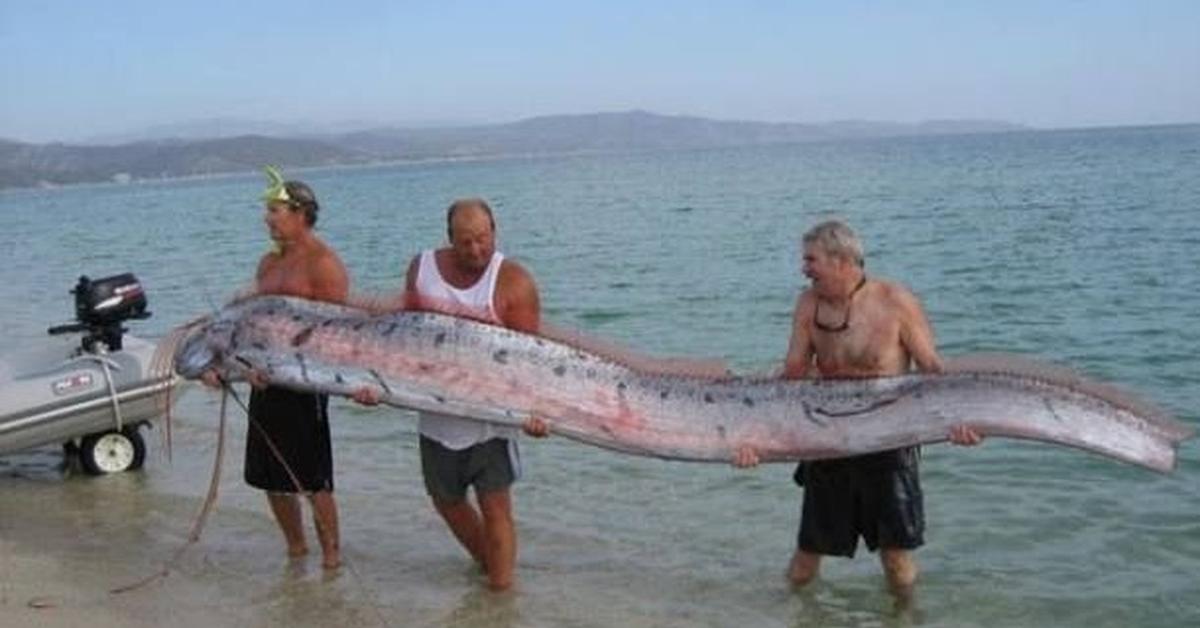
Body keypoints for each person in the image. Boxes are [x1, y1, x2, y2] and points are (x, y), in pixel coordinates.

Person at [732, 219, 981, 596]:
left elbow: (933, 370)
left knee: (896, 561)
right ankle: (794, 618)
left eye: (811, 260)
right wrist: (753, 438)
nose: (804, 269)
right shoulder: (807, 304)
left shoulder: (896, 301)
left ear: (842, 260)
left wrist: (961, 422)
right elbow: (792, 377)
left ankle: (906, 621)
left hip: (888, 442)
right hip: (828, 441)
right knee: (805, 560)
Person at [354, 197, 546, 591]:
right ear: (449, 239)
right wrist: (374, 384)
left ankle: (500, 596)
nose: (475, 250)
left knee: (495, 506)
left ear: (495, 232)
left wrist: (537, 412)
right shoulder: (421, 269)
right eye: (465, 242)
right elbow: (404, 338)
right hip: (435, 417)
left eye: (482, 239)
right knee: (446, 500)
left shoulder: (515, 282)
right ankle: (488, 568)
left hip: (492, 421)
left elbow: (532, 359)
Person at [206, 167, 349, 570]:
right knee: (269, 475)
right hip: (263, 380)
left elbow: (338, 333)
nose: (267, 218)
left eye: (275, 210)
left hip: (305, 383)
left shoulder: (324, 263)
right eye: (267, 211)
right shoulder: (267, 264)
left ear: (301, 212)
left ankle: (332, 560)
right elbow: (253, 325)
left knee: (313, 478)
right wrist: (238, 365)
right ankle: (296, 549)